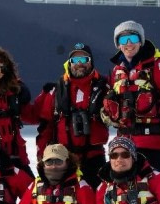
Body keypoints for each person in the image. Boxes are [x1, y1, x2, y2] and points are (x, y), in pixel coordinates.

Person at [101, 20, 160, 176]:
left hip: (154, 146)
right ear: (118, 45)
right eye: (123, 40)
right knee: (127, 195)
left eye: (133, 39)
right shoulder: (116, 72)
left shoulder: (158, 67)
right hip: (125, 148)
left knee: (153, 193)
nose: (128, 44)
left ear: (141, 41)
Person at [35, 42, 110, 187]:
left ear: (91, 62)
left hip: (94, 158)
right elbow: (46, 126)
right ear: (69, 63)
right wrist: (41, 157)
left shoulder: (104, 87)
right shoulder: (57, 91)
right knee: (64, 202)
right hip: (63, 159)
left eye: (84, 60)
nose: (79, 64)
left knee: (98, 201)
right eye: (75, 60)